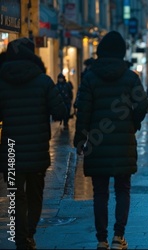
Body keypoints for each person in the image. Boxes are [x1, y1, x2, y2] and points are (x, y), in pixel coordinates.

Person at [73, 31, 148, 250]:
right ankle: (118, 237)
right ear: (122, 52)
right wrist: (133, 122)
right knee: (123, 189)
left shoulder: (89, 77)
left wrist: (80, 138)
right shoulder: (130, 77)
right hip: (123, 142)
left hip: (96, 144)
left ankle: (101, 240)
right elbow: (143, 105)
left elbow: (83, 110)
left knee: (100, 192)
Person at [0, 37, 67, 249]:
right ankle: (28, 234)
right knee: (35, 196)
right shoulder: (43, 81)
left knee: (15, 196)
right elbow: (61, 111)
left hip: (10, 149)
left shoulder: (1, 81)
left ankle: (21, 238)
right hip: (37, 148)